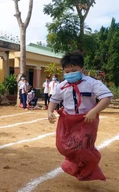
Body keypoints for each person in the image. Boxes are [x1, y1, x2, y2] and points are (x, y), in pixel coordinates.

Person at [48, 51, 113, 181]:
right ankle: (76, 164)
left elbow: (106, 97)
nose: (70, 73)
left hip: (86, 120)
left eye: (74, 70)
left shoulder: (92, 83)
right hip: (67, 121)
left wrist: (94, 111)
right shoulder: (61, 86)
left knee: (83, 148)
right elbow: (54, 100)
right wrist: (49, 111)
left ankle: (88, 168)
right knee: (62, 146)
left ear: (82, 69)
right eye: (67, 71)